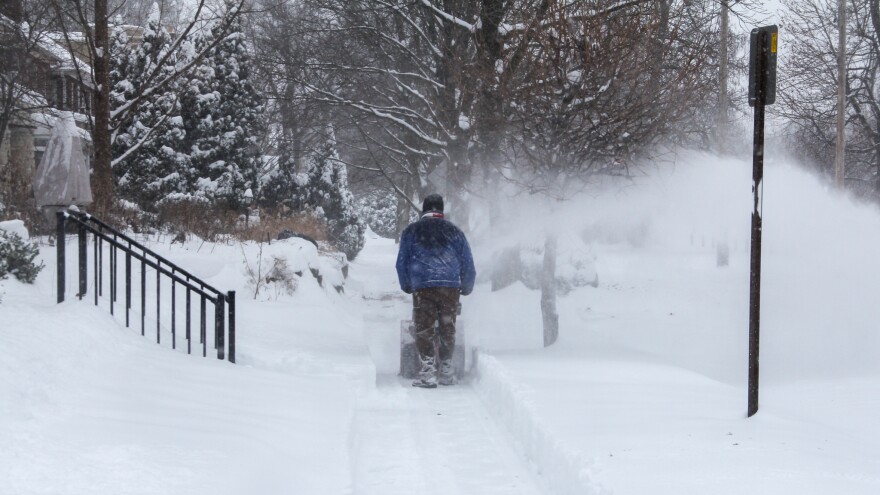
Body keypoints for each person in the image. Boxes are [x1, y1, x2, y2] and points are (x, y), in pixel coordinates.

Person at [396, 194, 476, 388]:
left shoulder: (411, 231)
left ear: (424, 210)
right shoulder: (455, 232)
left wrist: (406, 284)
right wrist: (465, 286)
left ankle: (428, 371)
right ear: (441, 210)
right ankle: (446, 369)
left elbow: (402, 262)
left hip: (423, 285)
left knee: (424, 327)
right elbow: (467, 262)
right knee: (447, 326)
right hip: (449, 287)